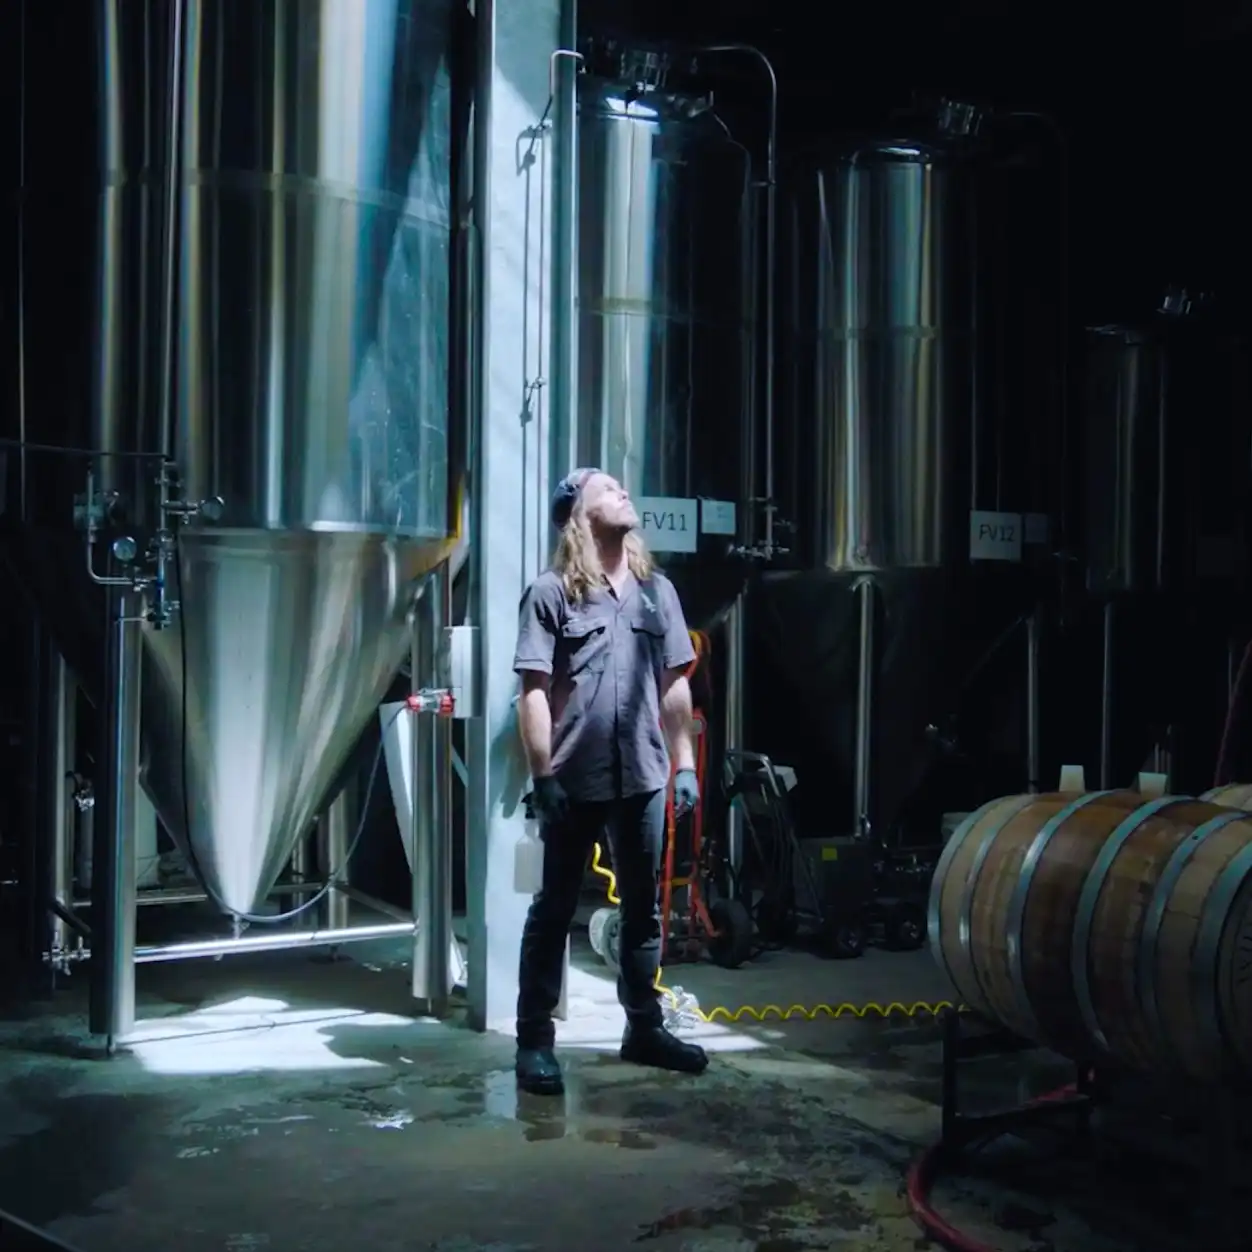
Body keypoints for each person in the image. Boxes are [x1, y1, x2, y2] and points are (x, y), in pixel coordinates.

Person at [511, 467, 710, 1096]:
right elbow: (534, 690)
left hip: (645, 775)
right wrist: (542, 775)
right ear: (579, 514)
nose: (623, 493)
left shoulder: (658, 592)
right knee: (554, 910)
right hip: (573, 778)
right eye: (607, 489)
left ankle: (643, 1029)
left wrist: (683, 764)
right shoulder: (551, 593)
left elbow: (673, 685)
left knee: (644, 910)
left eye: (622, 487)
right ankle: (534, 1042)